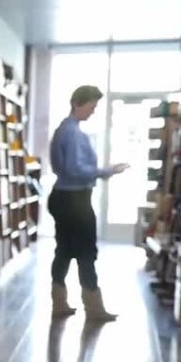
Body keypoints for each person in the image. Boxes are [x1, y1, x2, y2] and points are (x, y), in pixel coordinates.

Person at [47, 85, 128, 321]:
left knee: (63, 251)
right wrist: (106, 171)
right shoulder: (73, 133)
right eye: (92, 106)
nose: (93, 111)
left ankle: (59, 303)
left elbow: (63, 168)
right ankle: (94, 308)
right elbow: (74, 169)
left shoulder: (63, 129)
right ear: (77, 104)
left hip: (63, 197)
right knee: (85, 252)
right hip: (75, 201)